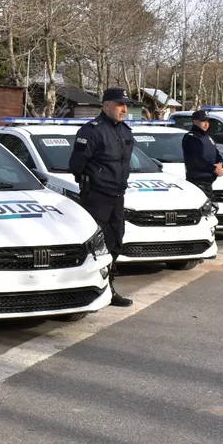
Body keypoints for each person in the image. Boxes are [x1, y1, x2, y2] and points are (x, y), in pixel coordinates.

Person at [68, 87, 135, 308]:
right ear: (106, 106)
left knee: (115, 243)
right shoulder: (92, 131)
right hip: (97, 197)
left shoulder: (125, 131)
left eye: (125, 105)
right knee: (97, 245)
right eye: (119, 104)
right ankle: (86, 290)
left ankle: (108, 288)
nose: (124, 109)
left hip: (117, 196)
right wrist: (93, 183)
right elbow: (77, 165)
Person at [181, 109, 223, 202]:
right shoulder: (191, 137)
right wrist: (214, 169)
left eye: (207, 121)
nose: (206, 124)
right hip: (198, 181)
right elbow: (197, 159)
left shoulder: (208, 137)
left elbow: (216, 154)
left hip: (208, 182)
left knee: (212, 207)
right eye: (203, 121)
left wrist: (220, 164)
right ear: (195, 121)